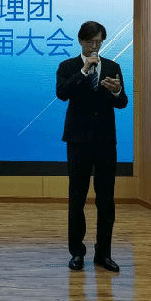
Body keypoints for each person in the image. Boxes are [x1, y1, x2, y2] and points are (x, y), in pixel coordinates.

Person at [56, 21, 128, 272]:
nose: (95, 46)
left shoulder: (113, 67)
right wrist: (84, 71)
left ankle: (103, 254)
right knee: (77, 199)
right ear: (81, 41)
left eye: (99, 42)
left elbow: (123, 102)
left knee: (106, 200)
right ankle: (77, 253)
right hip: (78, 141)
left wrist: (117, 91)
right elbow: (62, 93)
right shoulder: (68, 66)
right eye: (90, 42)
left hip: (105, 142)